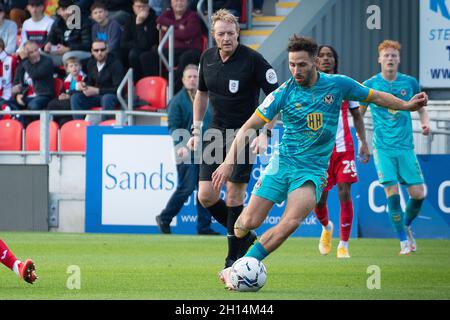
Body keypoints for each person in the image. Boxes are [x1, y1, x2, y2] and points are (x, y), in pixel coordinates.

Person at [211, 35, 428, 290]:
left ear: (314, 62)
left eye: (301, 64)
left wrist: (405, 105)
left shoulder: (338, 85)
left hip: (312, 171)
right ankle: (245, 255)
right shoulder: (283, 92)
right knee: (244, 224)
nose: (296, 71)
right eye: (292, 65)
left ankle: (242, 266)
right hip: (281, 164)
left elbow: (375, 96)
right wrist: (227, 162)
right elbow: (249, 126)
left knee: (290, 222)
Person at [188, 9, 279, 269]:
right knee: (205, 195)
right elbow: (201, 95)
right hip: (215, 133)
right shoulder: (206, 58)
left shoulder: (253, 60)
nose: (226, 38)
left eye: (231, 33)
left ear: (237, 33)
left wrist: (265, 132)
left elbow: (276, 99)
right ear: (214, 36)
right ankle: (244, 235)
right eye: (221, 34)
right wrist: (196, 131)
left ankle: (232, 257)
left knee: (234, 196)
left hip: (246, 133)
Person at [360, 40, 430, 255]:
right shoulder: (370, 84)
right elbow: (358, 114)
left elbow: (421, 107)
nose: (390, 59)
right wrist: (362, 141)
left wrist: (425, 122)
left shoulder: (409, 83)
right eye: (386, 55)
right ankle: (402, 242)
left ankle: (406, 226)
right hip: (382, 148)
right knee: (392, 192)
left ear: (398, 59)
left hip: (405, 147)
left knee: (418, 194)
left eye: (393, 55)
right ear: (379, 59)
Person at [313, 45, 370, 258]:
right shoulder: (310, 86)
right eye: (322, 56)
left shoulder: (345, 85)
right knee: (319, 198)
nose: (326, 59)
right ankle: (326, 227)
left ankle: (344, 245)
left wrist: (363, 141)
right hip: (320, 152)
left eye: (330, 56)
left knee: (345, 192)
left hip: (344, 148)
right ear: (315, 61)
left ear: (335, 61)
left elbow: (357, 116)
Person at [155, 64, 219, 235]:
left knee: (205, 188)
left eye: (195, 76)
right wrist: (180, 147)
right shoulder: (177, 101)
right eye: (189, 77)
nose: (192, 79)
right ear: (183, 80)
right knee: (188, 186)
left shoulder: (207, 98)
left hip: (207, 150)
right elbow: (173, 126)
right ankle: (165, 217)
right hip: (185, 150)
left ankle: (204, 227)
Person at [140, 0, 203, 93]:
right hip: (169, 51)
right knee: (146, 57)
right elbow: (159, 20)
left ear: (187, 2)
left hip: (189, 50)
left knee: (187, 57)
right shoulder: (168, 14)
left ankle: (174, 92)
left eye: (182, 1)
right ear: (171, 3)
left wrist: (169, 29)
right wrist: (179, 26)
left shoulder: (193, 16)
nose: (179, 3)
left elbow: (186, 34)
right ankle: (157, 89)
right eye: (176, 0)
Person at [70, 39, 124, 121]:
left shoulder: (115, 63)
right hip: (96, 96)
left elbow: (119, 89)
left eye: (102, 50)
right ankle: (80, 126)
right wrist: (84, 85)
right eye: (96, 50)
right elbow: (90, 81)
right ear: (92, 51)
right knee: (75, 98)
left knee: (107, 98)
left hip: (111, 96)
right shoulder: (91, 62)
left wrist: (97, 91)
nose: (99, 53)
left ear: (107, 50)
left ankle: (106, 127)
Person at [11, 40, 54, 126]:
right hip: (25, 96)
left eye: (36, 50)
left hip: (42, 95)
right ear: (27, 54)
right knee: (7, 104)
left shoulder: (47, 61)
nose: (35, 53)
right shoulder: (23, 64)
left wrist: (24, 60)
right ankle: (16, 128)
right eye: (31, 52)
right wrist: (17, 95)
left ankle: (30, 129)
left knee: (33, 105)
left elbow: (35, 74)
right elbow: (16, 82)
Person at [43, 0, 92, 67]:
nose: (68, 12)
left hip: (82, 53)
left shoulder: (83, 22)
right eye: (64, 9)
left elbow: (87, 45)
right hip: (61, 53)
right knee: (40, 53)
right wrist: (47, 44)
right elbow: (50, 38)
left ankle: (69, 77)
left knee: (67, 56)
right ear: (59, 11)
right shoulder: (57, 23)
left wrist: (69, 49)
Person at [121, 0, 158, 81]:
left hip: (151, 51)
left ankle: (141, 82)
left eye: (143, 6)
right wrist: (138, 45)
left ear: (148, 7)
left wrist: (139, 24)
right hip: (136, 51)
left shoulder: (154, 19)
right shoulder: (130, 20)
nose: (141, 9)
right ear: (133, 8)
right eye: (138, 7)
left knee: (136, 54)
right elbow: (123, 43)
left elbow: (146, 45)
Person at [47, 56, 86, 126]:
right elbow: (63, 92)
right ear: (67, 69)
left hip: (78, 101)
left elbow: (84, 91)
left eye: (76, 65)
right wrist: (62, 95)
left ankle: (47, 123)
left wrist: (69, 96)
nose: (74, 68)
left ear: (80, 67)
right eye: (71, 66)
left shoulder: (85, 78)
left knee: (52, 104)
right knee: (63, 121)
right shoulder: (66, 80)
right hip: (67, 102)